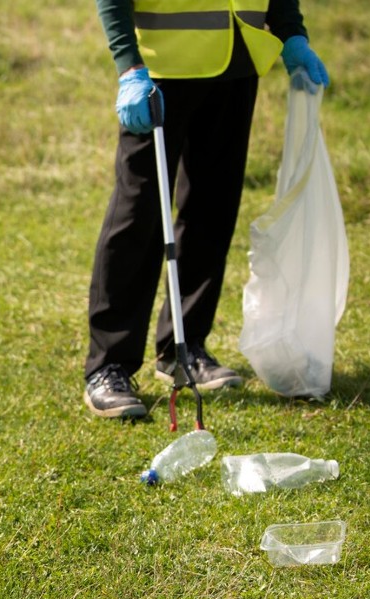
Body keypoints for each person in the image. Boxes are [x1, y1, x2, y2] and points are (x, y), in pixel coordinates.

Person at [83, 0, 329, 418]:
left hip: (238, 62)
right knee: (139, 212)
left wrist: (292, 35)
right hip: (161, 70)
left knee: (213, 209)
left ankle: (184, 347)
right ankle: (108, 366)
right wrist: (128, 66)